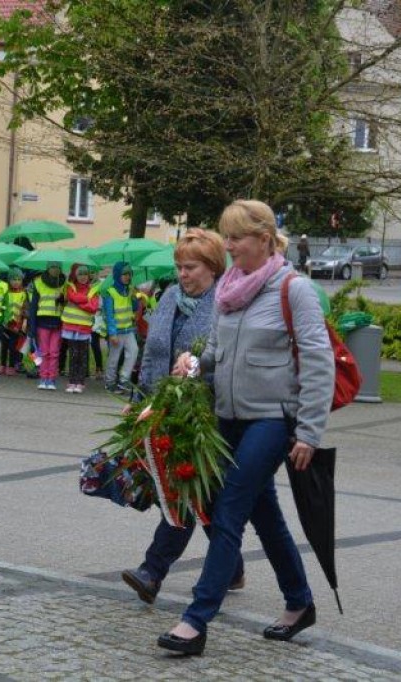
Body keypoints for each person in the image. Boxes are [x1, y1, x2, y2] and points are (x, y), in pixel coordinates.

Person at [161, 199, 334, 656]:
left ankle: (196, 621)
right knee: (263, 513)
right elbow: (215, 350)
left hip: (273, 419)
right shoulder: (230, 290)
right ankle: (299, 602)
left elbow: (318, 363)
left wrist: (309, 432)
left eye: (236, 237)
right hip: (228, 416)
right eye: (227, 236)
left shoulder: (293, 289)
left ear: (264, 238)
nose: (229, 245)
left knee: (231, 508)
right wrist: (192, 362)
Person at [120, 228, 245, 605]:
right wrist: (137, 398)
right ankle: (232, 567)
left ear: (212, 267)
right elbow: (153, 354)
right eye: (178, 267)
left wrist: (196, 371)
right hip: (162, 409)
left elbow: (228, 362)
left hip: (206, 415)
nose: (182, 274)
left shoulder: (227, 304)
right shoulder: (170, 296)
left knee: (185, 493)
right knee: (196, 497)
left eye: (190, 267)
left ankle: (152, 571)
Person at [26, 261, 66, 390]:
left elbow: (69, 304)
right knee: (43, 352)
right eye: (53, 267)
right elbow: (33, 307)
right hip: (42, 322)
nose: (55, 270)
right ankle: (43, 377)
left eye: (58, 267)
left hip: (58, 323)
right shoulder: (38, 283)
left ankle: (52, 379)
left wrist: (63, 300)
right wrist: (32, 327)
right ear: (48, 268)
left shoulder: (64, 284)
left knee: (54, 352)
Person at [61, 263, 99, 393]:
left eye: (85, 274)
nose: (83, 277)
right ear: (75, 276)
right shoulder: (70, 287)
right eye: (80, 274)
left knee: (82, 356)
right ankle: (72, 381)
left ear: (89, 276)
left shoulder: (93, 289)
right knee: (73, 355)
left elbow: (93, 308)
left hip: (84, 328)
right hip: (70, 327)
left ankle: (80, 382)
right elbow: (72, 297)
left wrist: (78, 302)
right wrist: (85, 300)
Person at [101, 262, 139, 393]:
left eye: (129, 274)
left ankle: (123, 380)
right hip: (116, 331)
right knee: (114, 357)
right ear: (117, 275)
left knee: (133, 351)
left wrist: (134, 297)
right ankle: (110, 382)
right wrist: (112, 333)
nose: (127, 276)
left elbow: (134, 308)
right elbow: (109, 315)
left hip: (129, 330)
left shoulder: (129, 290)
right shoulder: (110, 292)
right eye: (124, 274)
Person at [0, 267, 27, 376]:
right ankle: (2, 365)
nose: (16, 282)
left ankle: (11, 365)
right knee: (4, 345)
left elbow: (25, 309)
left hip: (17, 325)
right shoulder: (5, 292)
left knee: (13, 346)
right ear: (9, 280)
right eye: (14, 279)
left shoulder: (24, 293)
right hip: (5, 324)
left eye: (19, 279)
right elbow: (2, 306)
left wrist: (24, 322)